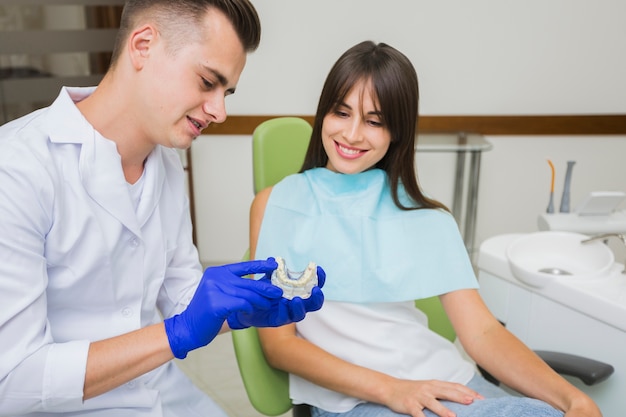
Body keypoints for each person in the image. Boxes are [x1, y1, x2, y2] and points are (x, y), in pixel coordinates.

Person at [0, 1, 324, 416]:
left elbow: (183, 298)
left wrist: (243, 307)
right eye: (208, 82)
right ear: (143, 45)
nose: (220, 111)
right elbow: (12, 380)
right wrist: (176, 334)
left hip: (159, 393)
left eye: (226, 93)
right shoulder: (19, 169)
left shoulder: (166, 162)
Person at [250, 41, 601, 417]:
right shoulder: (277, 204)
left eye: (374, 121)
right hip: (358, 399)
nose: (352, 135)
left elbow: (482, 333)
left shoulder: (424, 215)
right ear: (324, 114)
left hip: (446, 379)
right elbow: (279, 345)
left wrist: (572, 399)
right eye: (341, 112)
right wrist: (393, 390)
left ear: (396, 131)